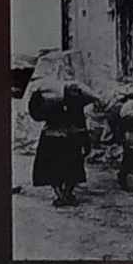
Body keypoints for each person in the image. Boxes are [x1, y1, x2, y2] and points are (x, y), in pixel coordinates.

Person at [23, 52, 98, 206]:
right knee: (72, 168)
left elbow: (36, 110)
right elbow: (81, 122)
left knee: (53, 169)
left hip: (51, 135)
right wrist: (86, 142)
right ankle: (67, 195)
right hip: (70, 137)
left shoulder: (49, 95)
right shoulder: (77, 98)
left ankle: (60, 196)